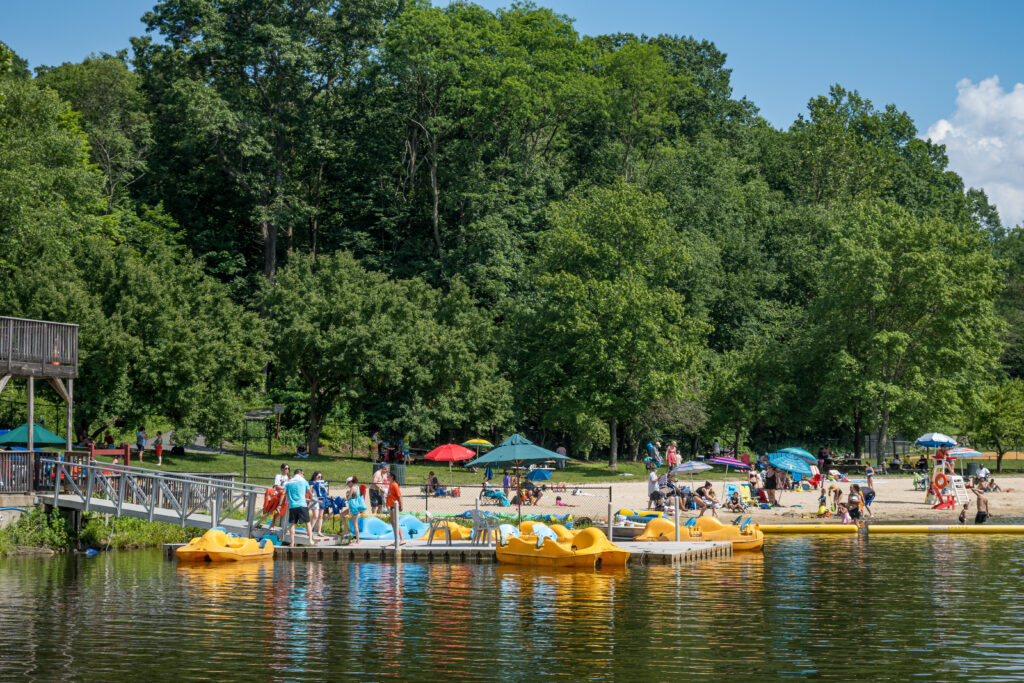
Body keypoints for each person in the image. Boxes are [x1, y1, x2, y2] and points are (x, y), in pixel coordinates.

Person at [284, 469, 315, 546]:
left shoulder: (289, 482)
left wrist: (281, 504)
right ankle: (310, 540)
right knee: (307, 523)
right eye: (303, 474)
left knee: (292, 524)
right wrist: (312, 497)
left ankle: (292, 543)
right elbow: (309, 492)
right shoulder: (304, 481)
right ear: (300, 473)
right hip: (302, 505)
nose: (303, 475)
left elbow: (284, 493)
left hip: (292, 506)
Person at [341, 476, 365, 544]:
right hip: (353, 507)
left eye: (348, 483)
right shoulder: (356, 487)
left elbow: (348, 498)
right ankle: (346, 531)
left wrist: (347, 494)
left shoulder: (352, 488)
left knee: (355, 524)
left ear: (351, 482)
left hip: (354, 508)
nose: (348, 485)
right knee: (342, 515)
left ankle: (357, 541)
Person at [386, 472, 406, 544]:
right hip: (391, 506)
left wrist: (401, 506)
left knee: (396, 522)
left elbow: (400, 496)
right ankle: (396, 540)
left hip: (395, 506)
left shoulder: (395, 485)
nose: (387, 477)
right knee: (392, 522)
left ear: (391, 477)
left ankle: (402, 539)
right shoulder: (390, 485)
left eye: (388, 476)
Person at [309, 471, 329, 540]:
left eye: (321, 477)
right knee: (315, 516)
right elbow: (310, 490)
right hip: (315, 500)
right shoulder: (312, 482)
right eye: (318, 476)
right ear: (315, 476)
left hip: (322, 500)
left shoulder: (322, 482)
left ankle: (319, 531)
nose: (320, 478)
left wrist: (324, 487)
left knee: (320, 516)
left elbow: (326, 492)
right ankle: (310, 530)